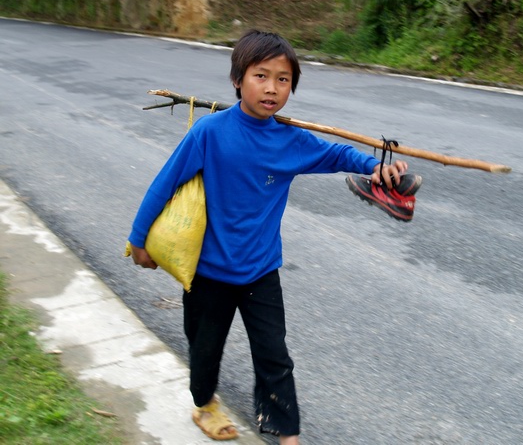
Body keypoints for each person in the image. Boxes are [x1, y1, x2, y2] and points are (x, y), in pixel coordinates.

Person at [128, 29, 412, 443]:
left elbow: (336, 155)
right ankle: (205, 405)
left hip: (261, 271)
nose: (272, 88)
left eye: (283, 80)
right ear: (238, 80)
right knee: (204, 350)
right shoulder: (210, 132)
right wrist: (138, 240)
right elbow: (164, 183)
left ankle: (286, 434)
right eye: (261, 76)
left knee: (274, 356)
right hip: (208, 273)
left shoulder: (291, 141)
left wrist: (375, 167)